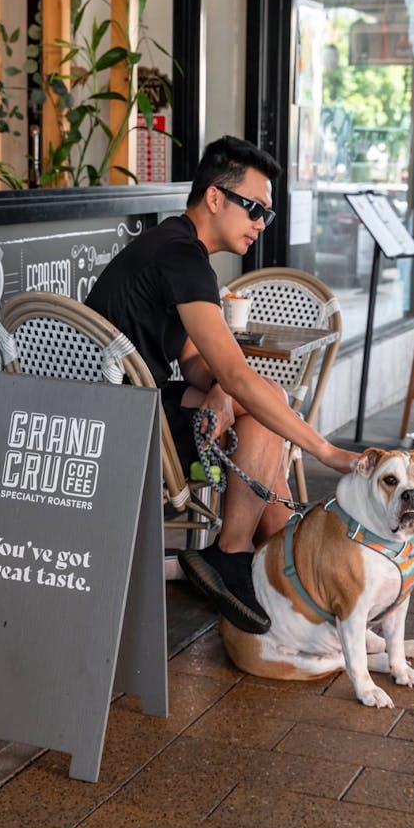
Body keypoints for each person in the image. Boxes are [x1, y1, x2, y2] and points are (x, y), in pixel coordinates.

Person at [86, 135, 358, 634]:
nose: (260, 223)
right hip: (119, 425)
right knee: (266, 405)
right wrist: (326, 451)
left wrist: (220, 392)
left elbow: (195, 360)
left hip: (115, 407)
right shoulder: (183, 258)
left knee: (258, 416)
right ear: (215, 197)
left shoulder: (173, 245)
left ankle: (297, 591)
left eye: (267, 215)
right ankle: (236, 556)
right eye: (254, 208)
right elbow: (234, 372)